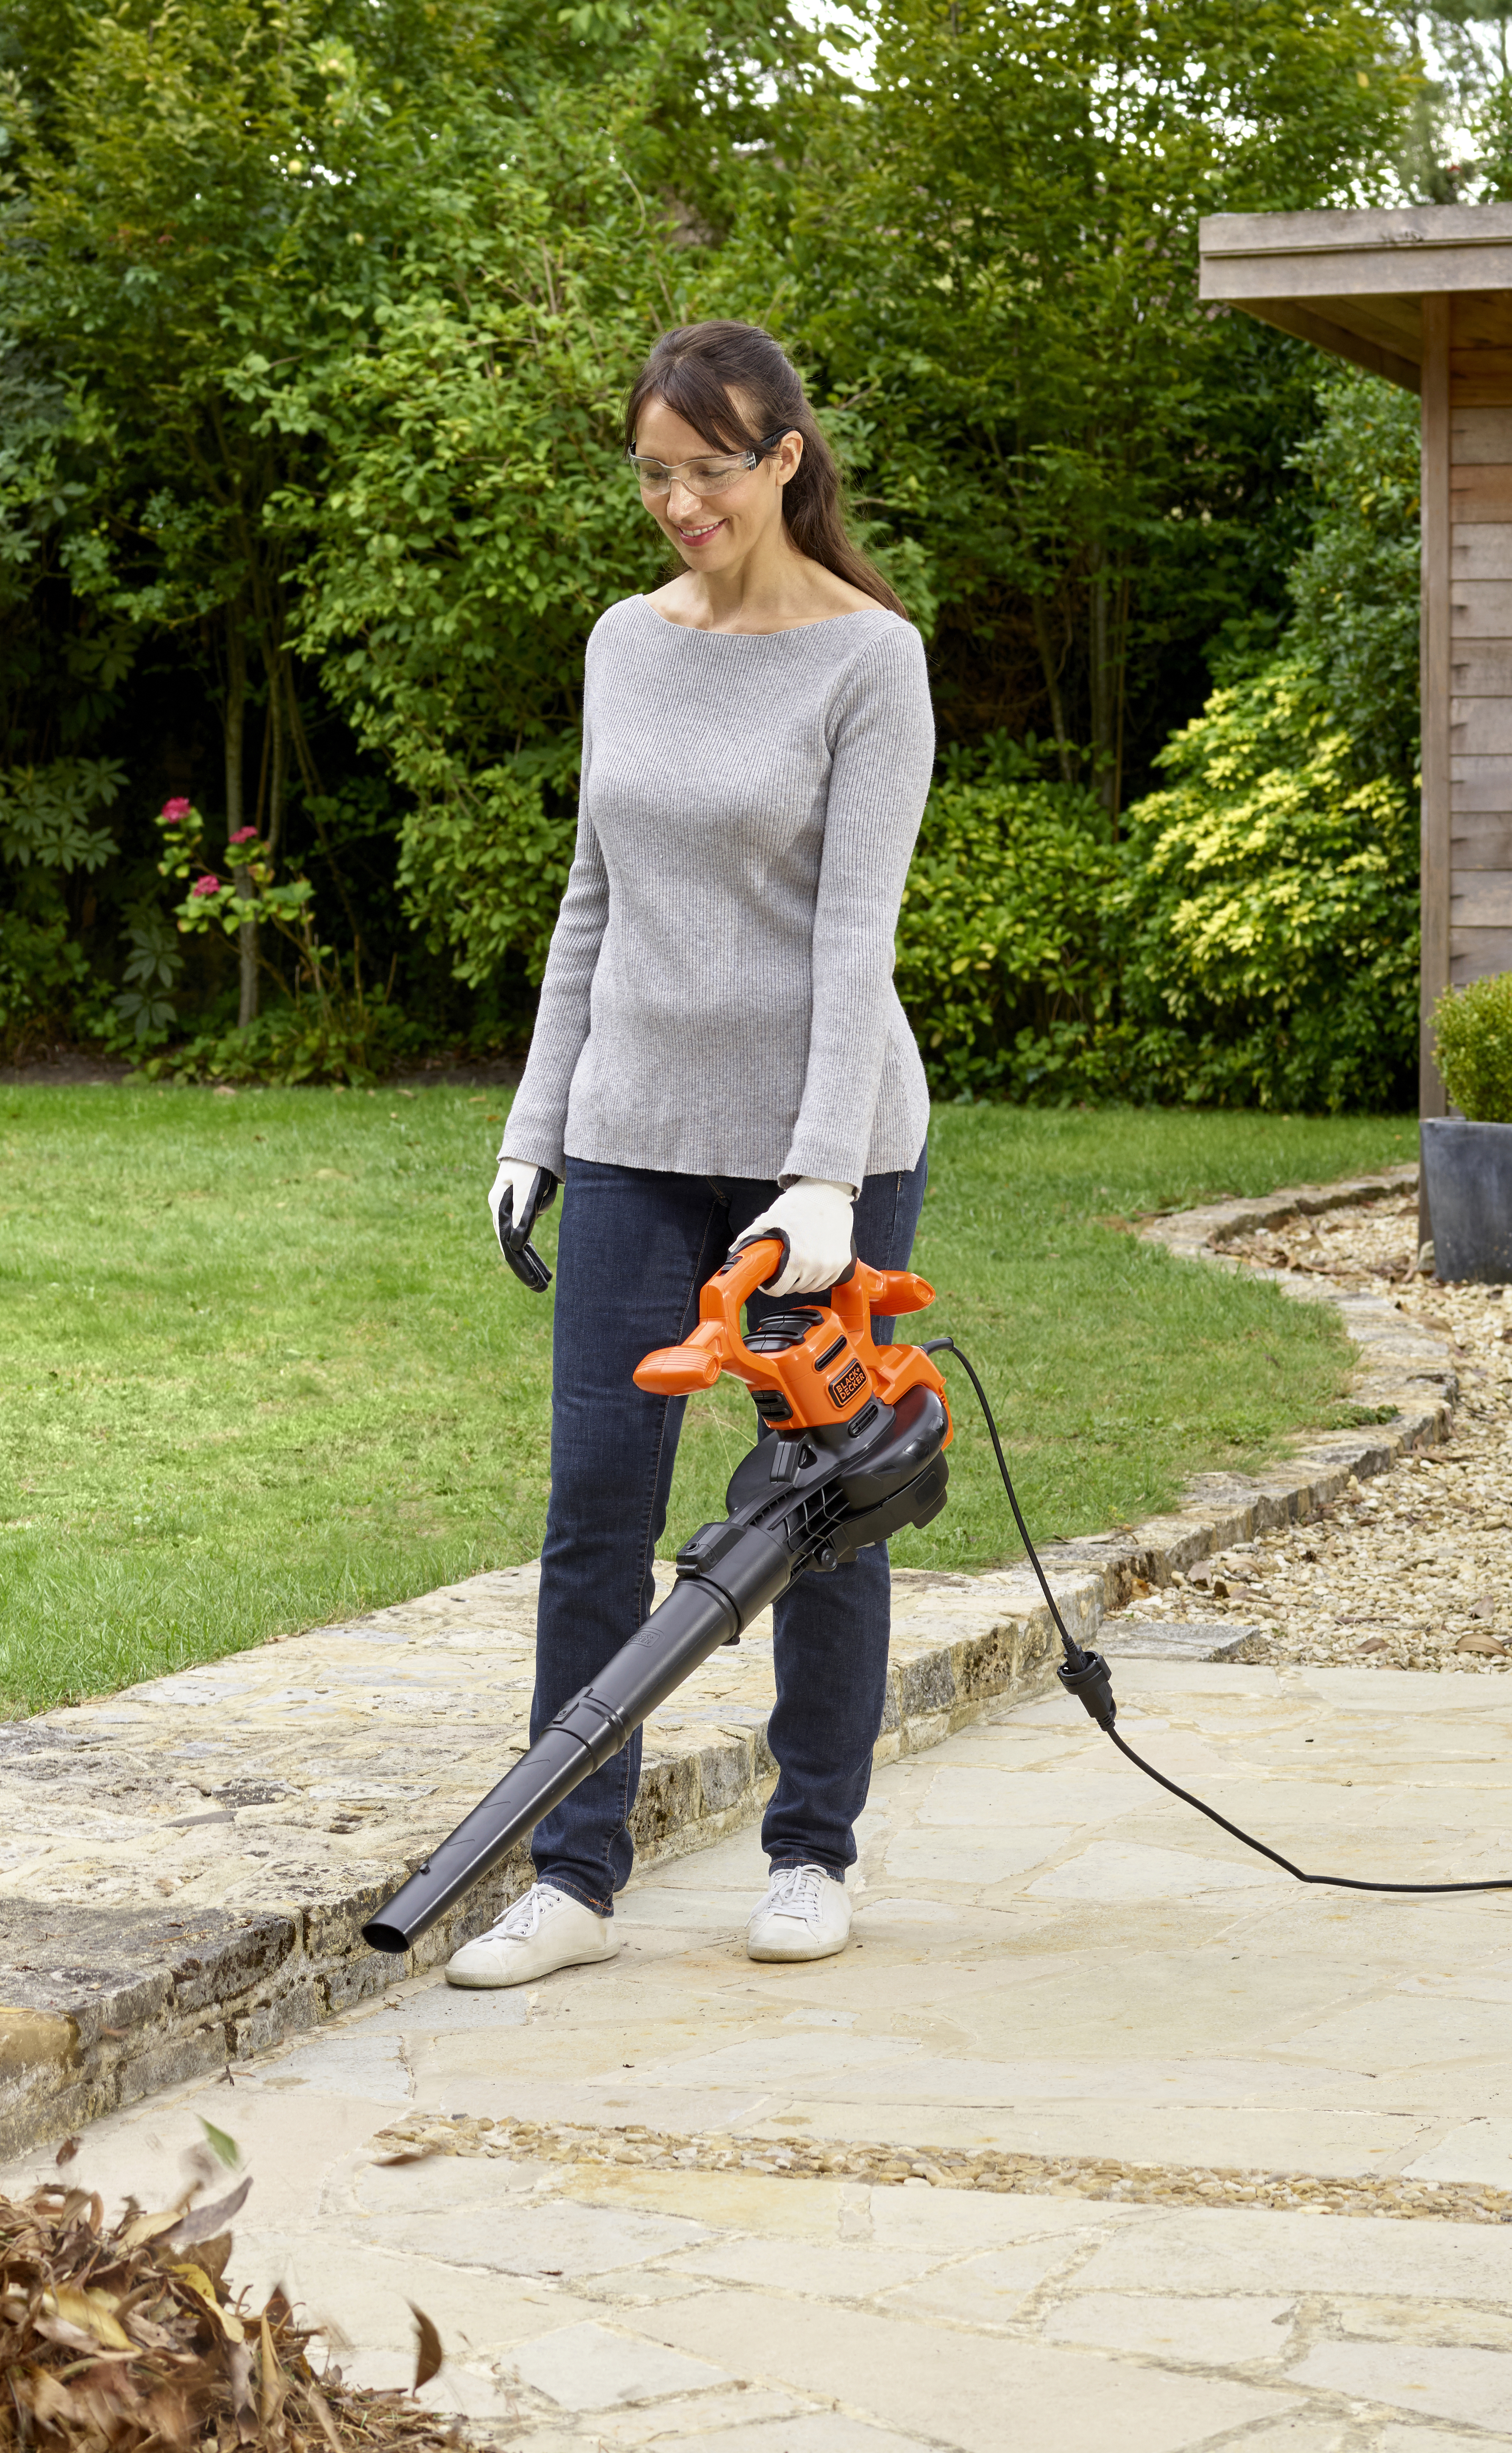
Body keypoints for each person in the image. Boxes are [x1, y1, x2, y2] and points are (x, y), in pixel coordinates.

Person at [447, 319, 933, 1990]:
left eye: (705, 472)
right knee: (598, 1507)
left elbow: (854, 936)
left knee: (814, 1506)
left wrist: (825, 1180)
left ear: (784, 458)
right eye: (653, 474)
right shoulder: (622, 645)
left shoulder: (873, 661)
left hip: (824, 1148)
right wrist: (537, 1129)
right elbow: (595, 901)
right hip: (637, 1137)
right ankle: (570, 1876)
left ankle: (813, 1846)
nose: (675, 505)